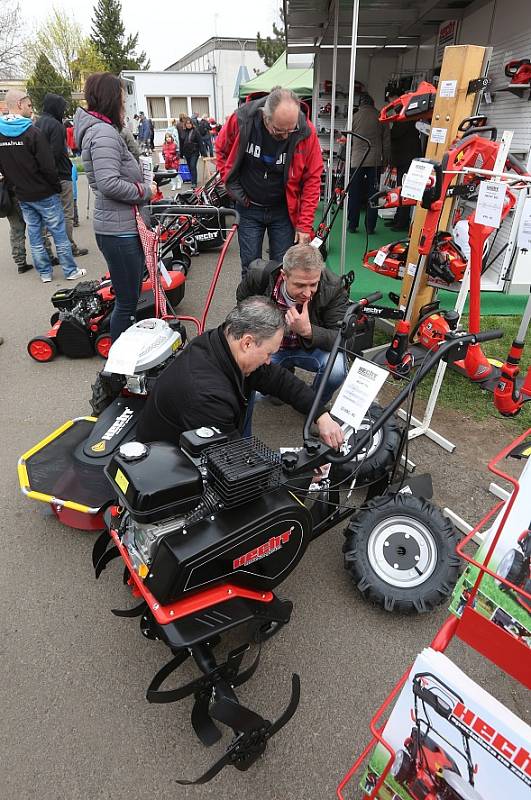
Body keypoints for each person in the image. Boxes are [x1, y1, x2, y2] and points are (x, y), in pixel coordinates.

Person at [137, 296, 344, 450]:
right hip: (172, 464)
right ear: (247, 342)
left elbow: (279, 380)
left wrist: (320, 414)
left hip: (208, 433)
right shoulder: (207, 396)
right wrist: (299, 469)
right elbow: (233, 463)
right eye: (268, 353)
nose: (269, 360)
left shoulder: (222, 340)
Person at [74, 73, 156, 341]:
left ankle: (125, 351)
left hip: (119, 226)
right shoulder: (104, 133)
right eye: (121, 95)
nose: (124, 100)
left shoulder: (104, 130)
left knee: (128, 297)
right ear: (112, 97)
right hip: (118, 231)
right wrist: (145, 190)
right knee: (127, 300)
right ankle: (120, 361)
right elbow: (109, 183)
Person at [216, 86, 323, 277]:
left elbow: (312, 179)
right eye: (279, 131)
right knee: (250, 269)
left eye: (291, 130)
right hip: (249, 208)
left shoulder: (306, 131)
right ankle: (250, 308)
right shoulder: (242, 119)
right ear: (265, 117)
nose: (285, 136)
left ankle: (277, 307)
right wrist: (234, 188)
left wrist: (304, 225)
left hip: (283, 210)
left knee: (282, 269)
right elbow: (221, 150)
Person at [236, 244, 349, 407]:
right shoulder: (259, 276)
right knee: (248, 384)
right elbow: (241, 303)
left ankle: (313, 406)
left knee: (337, 370)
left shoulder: (333, 287)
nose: (308, 293)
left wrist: (308, 331)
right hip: (270, 349)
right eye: (300, 285)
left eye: (313, 284)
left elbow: (343, 339)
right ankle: (276, 385)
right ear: (284, 275)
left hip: (309, 349)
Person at [0, 89, 84, 283]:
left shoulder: (2, 134)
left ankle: (45, 273)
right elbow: (47, 165)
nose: (32, 109)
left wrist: (14, 184)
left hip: (22, 194)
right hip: (44, 192)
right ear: (19, 104)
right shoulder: (32, 132)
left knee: (35, 234)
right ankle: (70, 270)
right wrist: (55, 186)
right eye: (29, 105)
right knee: (58, 233)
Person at [35, 93, 89, 257]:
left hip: (43, 176)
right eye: (62, 108)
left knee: (46, 217)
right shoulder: (56, 125)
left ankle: (48, 252)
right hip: (60, 175)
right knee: (66, 214)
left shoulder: (37, 123)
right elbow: (56, 152)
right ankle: (68, 248)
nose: (64, 111)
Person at [347, 93, 390, 234]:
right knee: (373, 194)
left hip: (357, 161)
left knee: (354, 193)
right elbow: (386, 142)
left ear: (360, 103)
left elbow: (348, 139)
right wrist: (386, 161)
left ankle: (352, 225)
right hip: (375, 160)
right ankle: (370, 227)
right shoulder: (381, 116)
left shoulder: (354, 117)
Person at [385, 90, 422, 232]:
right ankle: (398, 219)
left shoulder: (404, 115)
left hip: (406, 158)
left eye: (392, 100)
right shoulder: (408, 114)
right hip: (406, 158)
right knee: (402, 189)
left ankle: (401, 221)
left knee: (404, 190)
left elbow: (396, 134)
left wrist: (387, 130)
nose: (391, 104)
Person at [181, 116, 205, 188]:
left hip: (194, 151)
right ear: (185, 124)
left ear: (192, 124)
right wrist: (181, 153)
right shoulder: (183, 132)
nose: (188, 125)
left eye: (189, 123)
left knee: (192, 166)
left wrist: (203, 153)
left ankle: (194, 182)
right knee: (189, 167)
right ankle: (193, 179)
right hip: (186, 152)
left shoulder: (195, 131)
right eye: (187, 124)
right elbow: (181, 143)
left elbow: (200, 142)